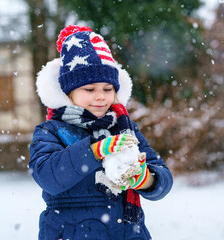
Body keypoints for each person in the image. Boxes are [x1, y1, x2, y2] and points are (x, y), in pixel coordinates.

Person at [29, 25, 173, 240]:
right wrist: (94, 151)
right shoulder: (51, 131)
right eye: (89, 89)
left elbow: (162, 176)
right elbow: (49, 177)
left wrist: (145, 179)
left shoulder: (123, 127)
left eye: (107, 89)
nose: (100, 97)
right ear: (69, 92)